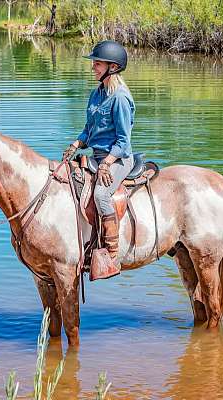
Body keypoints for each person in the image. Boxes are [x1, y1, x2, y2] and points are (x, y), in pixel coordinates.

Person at [62, 40, 135, 280]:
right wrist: (77, 143)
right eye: (94, 62)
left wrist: (107, 162)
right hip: (96, 157)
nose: (93, 66)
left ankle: (111, 256)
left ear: (112, 67)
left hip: (118, 159)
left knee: (102, 194)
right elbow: (88, 130)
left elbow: (123, 142)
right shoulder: (96, 94)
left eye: (98, 63)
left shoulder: (120, 99)